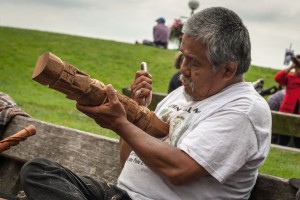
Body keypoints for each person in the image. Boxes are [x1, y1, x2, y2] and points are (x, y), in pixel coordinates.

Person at [20, 7, 272, 200]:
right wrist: (134, 114)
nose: (182, 70)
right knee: (39, 171)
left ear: (228, 70)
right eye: (183, 57)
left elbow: (180, 170)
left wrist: (119, 124)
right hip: (123, 195)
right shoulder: (182, 96)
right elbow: (127, 159)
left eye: (194, 62)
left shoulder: (244, 110)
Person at [274, 55, 300, 148]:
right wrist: (290, 67)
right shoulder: (290, 78)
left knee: (298, 141)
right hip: (287, 111)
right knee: (283, 139)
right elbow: (278, 78)